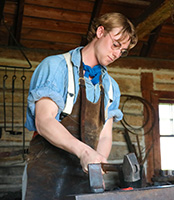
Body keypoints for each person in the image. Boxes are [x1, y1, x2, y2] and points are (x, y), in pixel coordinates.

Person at [22, 12, 138, 199]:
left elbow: (105, 135)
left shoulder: (110, 87)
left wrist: (97, 162)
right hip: (46, 176)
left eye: (122, 51)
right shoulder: (56, 67)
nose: (117, 54)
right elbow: (44, 121)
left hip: (84, 180)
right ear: (100, 31)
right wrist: (84, 152)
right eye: (116, 45)